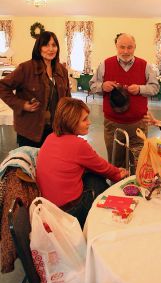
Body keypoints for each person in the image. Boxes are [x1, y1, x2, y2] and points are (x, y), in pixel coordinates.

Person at [36, 97, 128, 227]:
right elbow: (102, 167)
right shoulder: (78, 145)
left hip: (50, 208)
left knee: (91, 175)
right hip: (69, 211)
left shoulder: (50, 137)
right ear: (71, 121)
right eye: (84, 119)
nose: (89, 123)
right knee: (98, 181)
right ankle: (106, 221)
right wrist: (118, 174)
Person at [90, 33, 159, 168]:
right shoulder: (105, 64)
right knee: (116, 164)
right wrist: (103, 86)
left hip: (139, 125)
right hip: (113, 125)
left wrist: (140, 89)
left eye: (129, 47)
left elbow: (155, 88)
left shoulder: (145, 66)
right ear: (116, 46)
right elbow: (92, 85)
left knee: (139, 164)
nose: (126, 51)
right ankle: (117, 188)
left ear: (135, 47)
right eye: (122, 47)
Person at [0, 31, 70, 147]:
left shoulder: (62, 70)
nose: (51, 49)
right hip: (30, 131)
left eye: (54, 45)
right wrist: (22, 104)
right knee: (31, 164)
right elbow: (2, 86)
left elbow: (67, 98)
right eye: (46, 45)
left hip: (56, 130)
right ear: (39, 47)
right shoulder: (26, 68)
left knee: (51, 163)